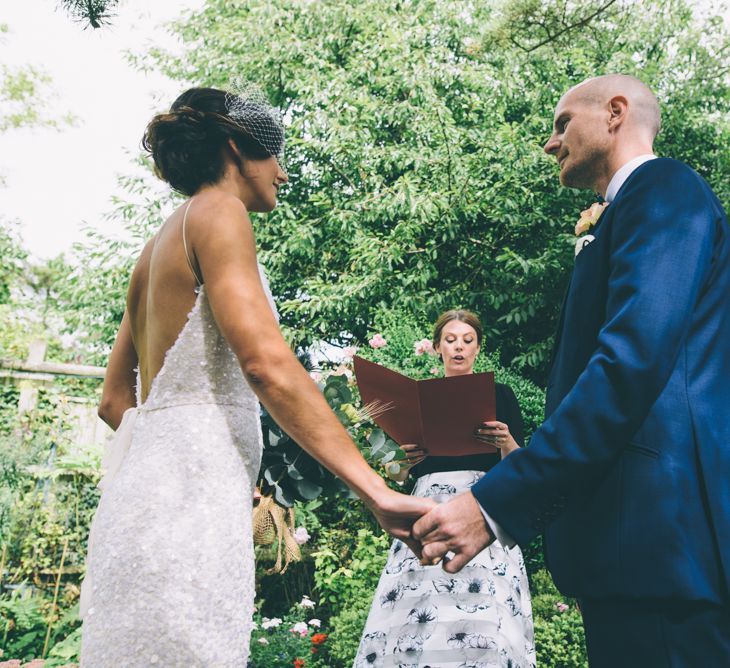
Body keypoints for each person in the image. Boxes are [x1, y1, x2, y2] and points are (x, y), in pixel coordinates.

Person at [78, 86, 434, 666]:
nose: (284, 174)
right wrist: (374, 489)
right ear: (237, 146)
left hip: (139, 503)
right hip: (191, 504)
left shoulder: (153, 248)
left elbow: (114, 401)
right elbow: (266, 366)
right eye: (275, 154)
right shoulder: (220, 211)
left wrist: (178, 452)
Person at [413, 74, 730, 666]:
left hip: (660, 539)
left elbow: (627, 365)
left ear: (615, 113)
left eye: (562, 123)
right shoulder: (629, 208)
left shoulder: (664, 189)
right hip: (628, 545)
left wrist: (495, 502)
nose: (550, 142)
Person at [353, 310, 535, 668]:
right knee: (421, 609)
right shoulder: (417, 401)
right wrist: (403, 460)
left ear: (478, 349)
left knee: (485, 613)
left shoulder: (501, 394)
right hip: (427, 509)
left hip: (483, 508)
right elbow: (399, 476)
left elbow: (522, 466)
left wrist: (506, 440)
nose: (459, 348)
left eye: (467, 341)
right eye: (450, 340)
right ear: (437, 347)